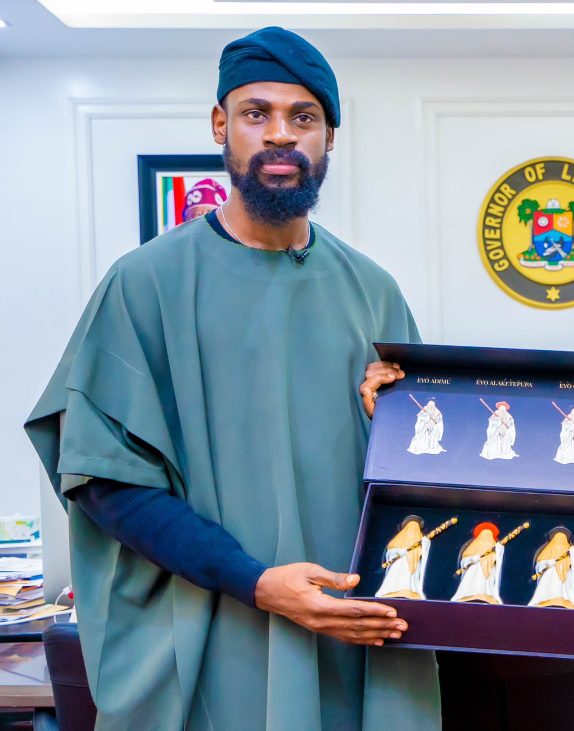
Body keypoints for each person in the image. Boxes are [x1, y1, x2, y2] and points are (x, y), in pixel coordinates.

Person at [24, 27, 439, 730]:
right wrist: (256, 582)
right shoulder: (146, 284)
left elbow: (426, 473)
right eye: (256, 113)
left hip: (350, 639)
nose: (280, 134)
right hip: (211, 640)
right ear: (221, 125)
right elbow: (104, 480)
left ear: (329, 138)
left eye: (303, 117)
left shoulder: (373, 292)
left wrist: (399, 421)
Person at [376, 515, 432, 600]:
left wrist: (425, 543)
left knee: (409, 577)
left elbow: (422, 552)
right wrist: (398, 551)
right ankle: (392, 590)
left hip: (413, 563)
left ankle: (409, 591)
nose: (413, 529)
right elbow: (390, 551)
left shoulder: (421, 539)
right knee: (396, 574)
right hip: (398, 562)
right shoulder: (397, 539)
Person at [451, 522, 505, 604]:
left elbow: (497, 560)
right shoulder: (471, 547)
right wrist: (474, 559)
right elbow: (465, 560)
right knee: (472, 580)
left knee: (486, 582)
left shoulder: (495, 547)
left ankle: (485, 594)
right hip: (472, 572)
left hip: (487, 574)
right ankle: (469, 595)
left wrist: (497, 552)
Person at [527, 527, 574, 609]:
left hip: (564, 579)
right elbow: (539, 565)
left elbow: (573, 563)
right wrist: (547, 563)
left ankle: (563, 600)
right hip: (549, 577)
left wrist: (573, 554)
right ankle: (546, 600)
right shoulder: (546, 552)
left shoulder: (570, 552)